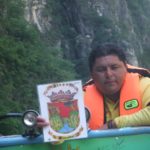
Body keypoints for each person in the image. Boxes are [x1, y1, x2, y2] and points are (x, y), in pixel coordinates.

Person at [37, 43, 150, 130]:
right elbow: (61, 137)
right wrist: (47, 128)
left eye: (114, 67)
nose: (109, 74)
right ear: (92, 74)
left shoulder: (143, 84)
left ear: (126, 68)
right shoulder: (80, 98)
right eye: (101, 70)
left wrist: (114, 124)